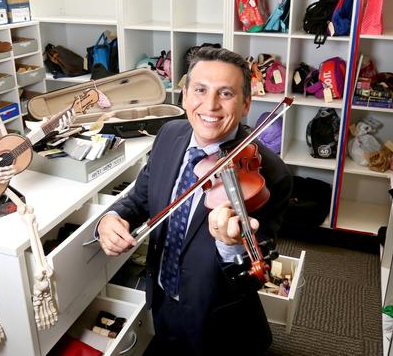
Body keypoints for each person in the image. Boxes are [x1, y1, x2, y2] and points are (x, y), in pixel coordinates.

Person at [95, 47, 292, 355]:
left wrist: (231, 245)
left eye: (225, 93)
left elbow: (256, 275)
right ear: (185, 95)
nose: (210, 106)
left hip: (220, 324)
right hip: (162, 299)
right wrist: (109, 219)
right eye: (200, 90)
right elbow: (139, 198)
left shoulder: (269, 174)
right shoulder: (169, 134)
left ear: (246, 105)